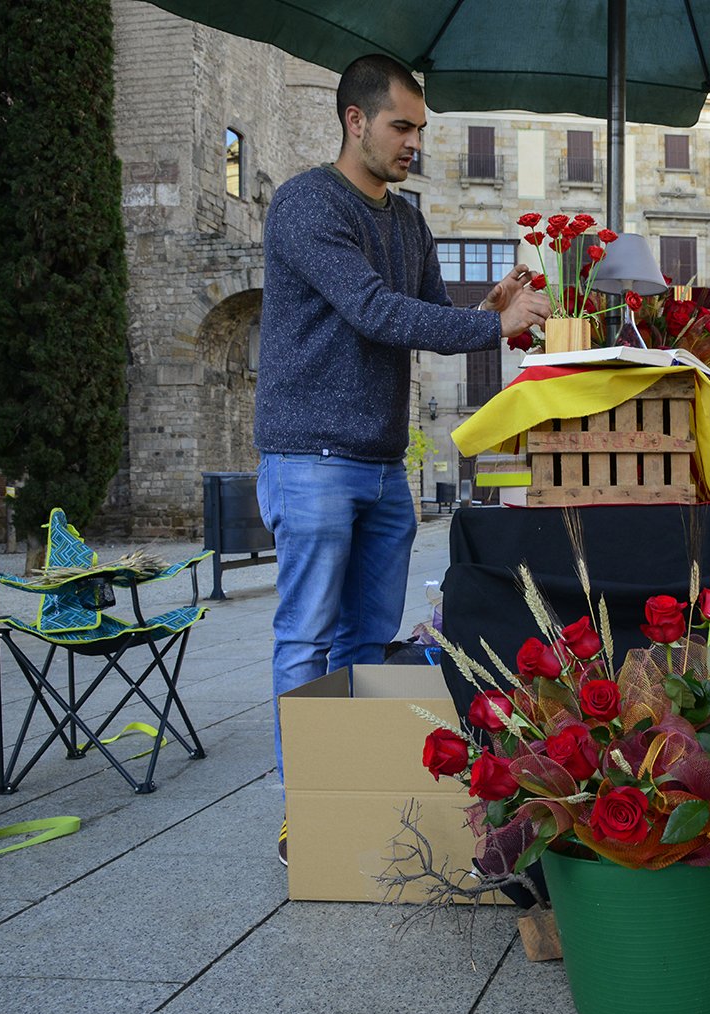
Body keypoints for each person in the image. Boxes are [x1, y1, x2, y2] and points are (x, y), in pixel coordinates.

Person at [255, 54, 550, 864]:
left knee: (366, 639)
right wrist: (494, 328)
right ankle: (304, 806)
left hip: (382, 462)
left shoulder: (410, 221)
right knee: (306, 635)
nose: (414, 141)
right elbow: (374, 311)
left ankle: (350, 788)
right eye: (402, 126)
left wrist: (484, 306)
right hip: (309, 454)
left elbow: (422, 313)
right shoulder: (305, 205)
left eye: (420, 127)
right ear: (356, 120)